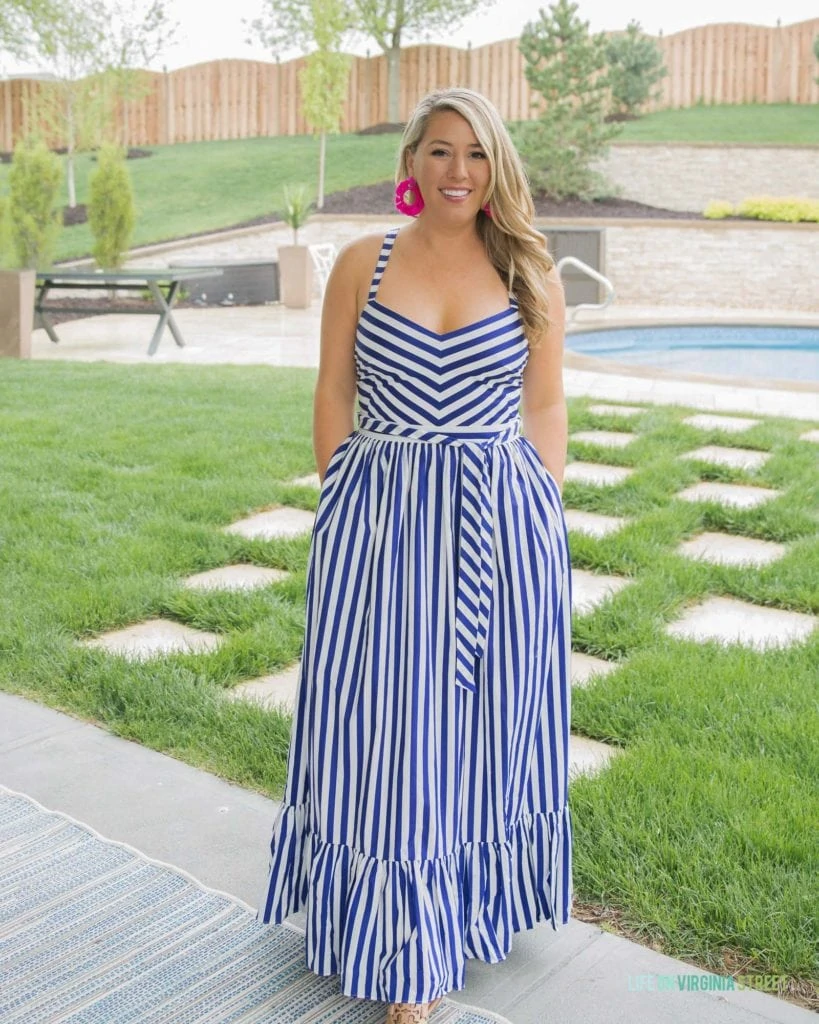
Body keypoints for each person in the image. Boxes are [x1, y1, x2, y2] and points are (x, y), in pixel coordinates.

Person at [256, 86, 573, 1024]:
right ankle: (399, 938)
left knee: (473, 729)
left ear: (497, 166)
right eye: (438, 151)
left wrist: (540, 505)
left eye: (474, 155)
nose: (457, 172)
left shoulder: (528, 272)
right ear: (409, 162)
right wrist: (342, 493)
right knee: (388, 733)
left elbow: (546, 406)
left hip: (499, 524)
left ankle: (450, 922)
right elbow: (333, 388)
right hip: (382, 526)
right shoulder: (363, 261)